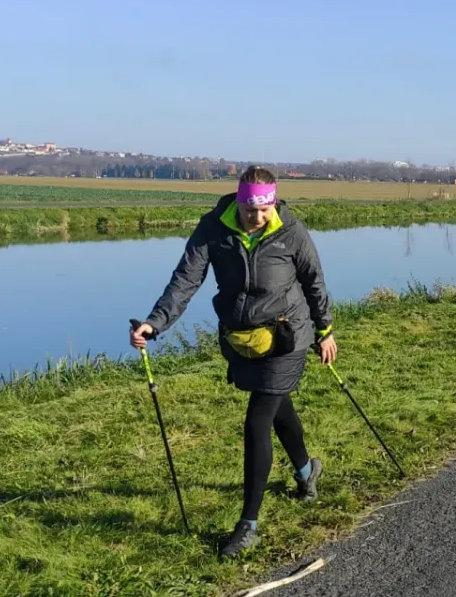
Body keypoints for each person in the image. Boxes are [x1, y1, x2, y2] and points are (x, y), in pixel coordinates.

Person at [129, 166, 337, 558]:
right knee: (277, 406)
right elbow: (185, 280)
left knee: (257, 419)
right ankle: (307, 471)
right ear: (238, 202)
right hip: (243, 340)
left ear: (273, 203)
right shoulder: (213, 228)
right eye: (249, 209)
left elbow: (314, 281)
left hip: (288, 336)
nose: (256, 217)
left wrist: (324, 330)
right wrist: (155, 323)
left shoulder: (292, 231)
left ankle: (248, 525)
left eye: (263, 210)